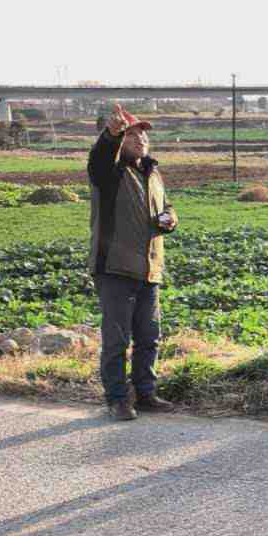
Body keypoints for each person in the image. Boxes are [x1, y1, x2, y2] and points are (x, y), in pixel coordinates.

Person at [87, 102, 178, 421]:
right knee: (117, 339)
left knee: (148, 337)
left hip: (149, 268)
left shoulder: (152, 172)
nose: (141, 138)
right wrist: (110, 136)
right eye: (133, 134)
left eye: (143, 134)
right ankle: (116, 398)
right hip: (115, 268)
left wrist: (170, 218)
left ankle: (145, 393)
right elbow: (100, 159)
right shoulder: (109, 173)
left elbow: (166, 207)